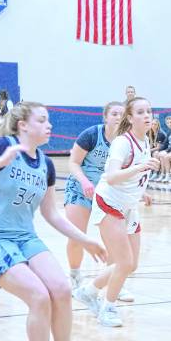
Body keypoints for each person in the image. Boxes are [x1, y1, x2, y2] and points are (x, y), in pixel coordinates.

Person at [0, 102, 107, 341]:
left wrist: (85, 239)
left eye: (49, 120)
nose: (49, 125)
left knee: (62, 289)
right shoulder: (1, 145)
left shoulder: (46, 164)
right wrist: (0, 160)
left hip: (26, 237)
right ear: (23, 125)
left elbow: (51, 214)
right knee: (38, 296)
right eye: (42, 120)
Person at [73, 97, 159, 327]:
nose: (147, 115)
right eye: (140, 112)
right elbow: (111, 177)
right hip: (109, 202)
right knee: (123, 262)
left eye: (149, 111)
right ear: (130, 118)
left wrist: (142, 191)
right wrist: (142, 166)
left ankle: (88, 290)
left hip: (129, 205)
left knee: (132, 264)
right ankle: (107, 308)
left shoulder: (146, 140)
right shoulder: (122, 142)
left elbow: (133, 176)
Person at [64, 101, 124, 291]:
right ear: (105, 117)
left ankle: (113, 281)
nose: (118, 117)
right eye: (114, 113)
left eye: (122, 114)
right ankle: (74, 276)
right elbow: (73, 163)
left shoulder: (126, 141)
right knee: (77, 236)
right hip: (80, 188)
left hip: (107, 193)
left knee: (114, 240)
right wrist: (85, 181)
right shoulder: (90, 135)